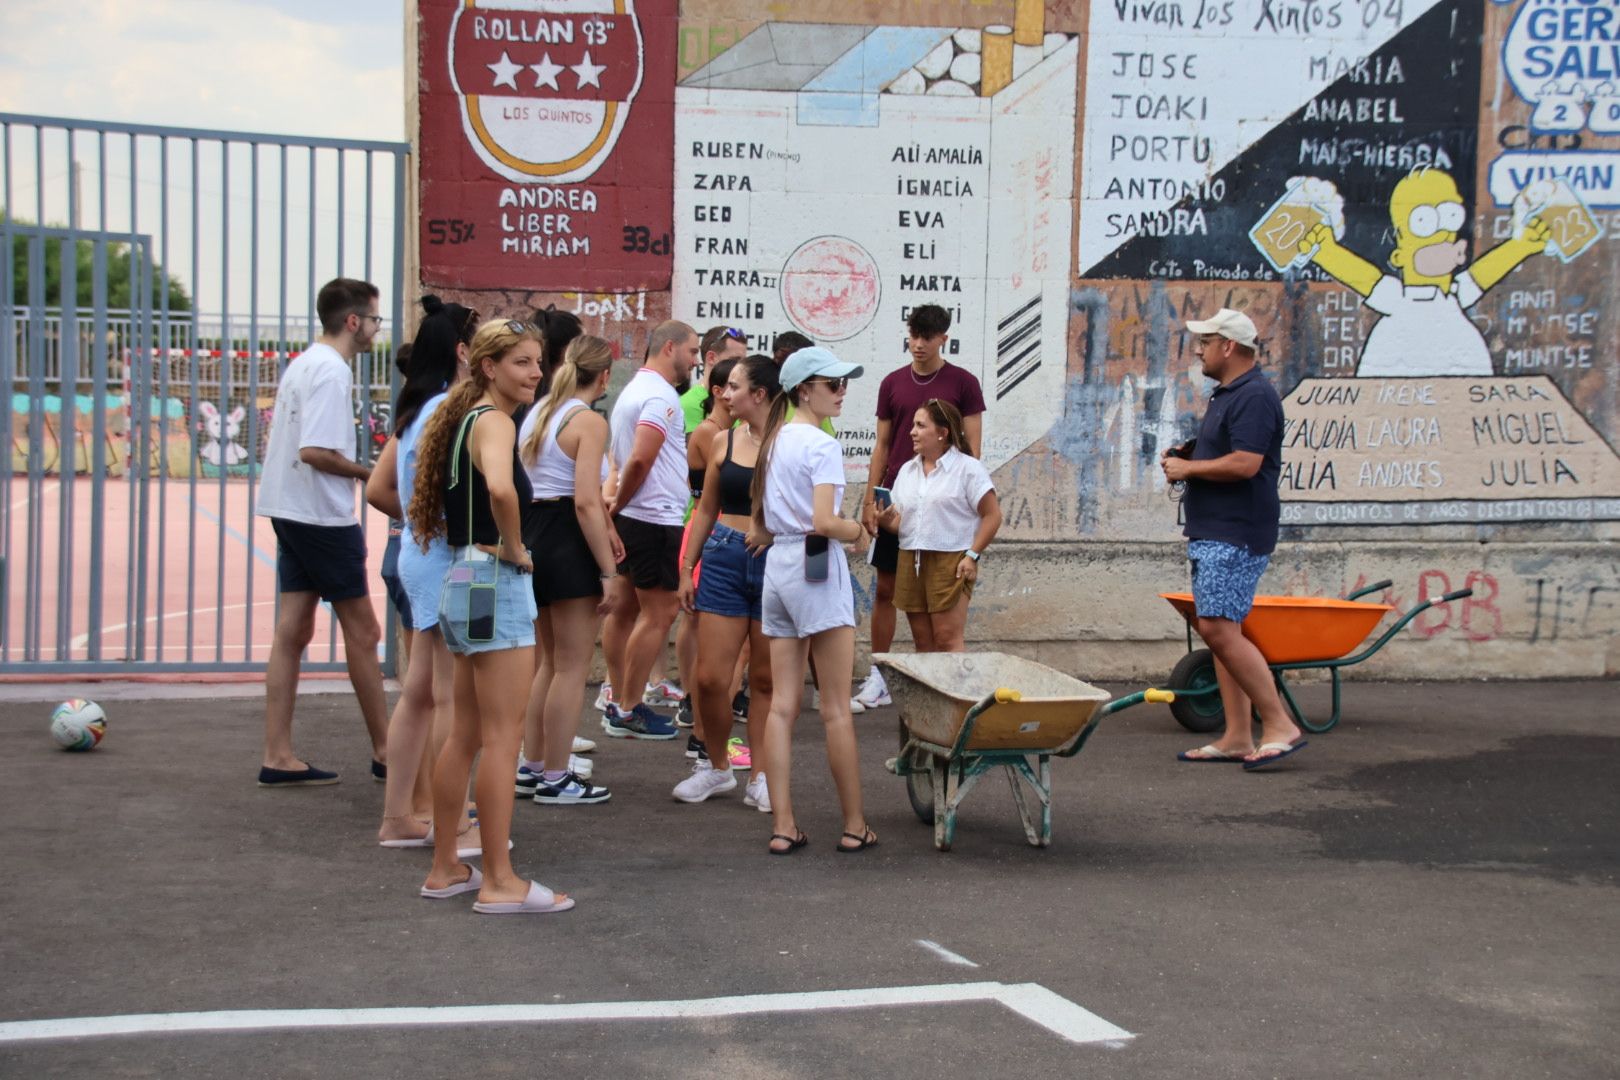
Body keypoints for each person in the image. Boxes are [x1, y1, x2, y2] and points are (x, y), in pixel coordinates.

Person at [408, 319, 571, 914]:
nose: (535, 373)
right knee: (501, 738)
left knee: (469, 734)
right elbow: (502, 492)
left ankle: (447, 865)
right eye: (522, 363)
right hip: (492, 578)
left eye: (537, 362)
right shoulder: (496, 421)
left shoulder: (464, 419)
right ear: (489, 367)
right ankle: (500, 879)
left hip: (462, 575)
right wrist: (517, 548)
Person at [253, 277, 389, 787]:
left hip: (289, 508)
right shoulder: (332, 372)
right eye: (373, 319)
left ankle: (278, 753)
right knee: (365, 631)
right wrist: (370, 473)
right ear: (353, 321)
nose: (376, 328)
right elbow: (315, 451)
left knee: (293, 630)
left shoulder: (304, 362)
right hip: (319, 516)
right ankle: (386, 749)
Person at [1159, 308, 1302, 770]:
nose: (1198, 349)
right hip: (1218, 528)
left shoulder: (1254, 395)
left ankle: (1278, 723)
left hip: (1235, 532)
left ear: (1230, 347)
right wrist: (1191, 455)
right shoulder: (1230, 394)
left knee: (1219, 627)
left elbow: (1246, 463)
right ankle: (1238, 735)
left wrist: (1189, 468)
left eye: (1206, 341)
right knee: (1224, 633)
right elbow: (1231, 453)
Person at [751, 346, 877, 855]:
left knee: (782, 707)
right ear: (805, 389)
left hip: (779, 565)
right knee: (836, 709)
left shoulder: (775, 438)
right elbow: (826, 522)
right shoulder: (822, 443)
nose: (842, 390)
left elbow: (759, 518)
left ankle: (784, 825)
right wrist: (860, 531)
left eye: (843, 383)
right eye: (833, 384)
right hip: (816, 563)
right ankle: (854, 825)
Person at [367, 296, 479, 848]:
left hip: (420, 552)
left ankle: (399, 818)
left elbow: (382, 489)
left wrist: (417, 520)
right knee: (453, 695)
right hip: (456, 560)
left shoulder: (416, 411)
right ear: (464, 351)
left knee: (420, 691)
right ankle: (450, 820)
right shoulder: (454, 411)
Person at [857, 304, 985, 712]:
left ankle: (946, 691)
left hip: (943, 511)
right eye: (913, 336)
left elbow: (973, 450)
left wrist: (962, 504)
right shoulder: (893, 382)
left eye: (926, 338)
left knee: (940, 612)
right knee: (886, 590)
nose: (918, 344)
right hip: (899, 499)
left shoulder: (964, 382)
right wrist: (870, 499)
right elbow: (881, 445)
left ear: (943, 338)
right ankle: (879, 674)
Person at [515, 335, 621, 807]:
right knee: (573, 667)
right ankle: (556, 776)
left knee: (548, 663)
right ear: (603, 376)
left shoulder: (538, 413)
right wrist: (609, 572)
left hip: (535, 533)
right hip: (566, 537)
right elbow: (583, 501)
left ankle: (533, 765)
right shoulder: (589, 422)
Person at [674, 355, 778, 807]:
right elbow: (705, 510)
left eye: (734, 386)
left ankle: (761, 775)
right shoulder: (722, 441)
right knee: (712, 679)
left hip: (776, 561)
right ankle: (717, 767)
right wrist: (686, 567)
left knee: (765, 678)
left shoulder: (791, 444)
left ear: (759, 395)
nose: (724, 393)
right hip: (722, 556)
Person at [601, 320, 700, 740]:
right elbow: (639, 460)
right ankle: (627, 706)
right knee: (660, 613)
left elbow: (622, 458)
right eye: (693, 351)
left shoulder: (633, 389)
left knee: (625, 609)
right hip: (652, 517)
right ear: (670, 347)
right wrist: (617, 506)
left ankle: (617, 700)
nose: (695, 360)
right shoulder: (660, 397)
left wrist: (616, 510)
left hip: (637, 516)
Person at [877, 400, 1001, 653]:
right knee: (923, 643)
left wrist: (972, 555)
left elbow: (992, 515)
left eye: (921, 426)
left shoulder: (968, 468)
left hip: (952, 561)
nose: (912, 431)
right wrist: (889, 522)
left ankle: (955, 694)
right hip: (911, 559)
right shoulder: (907, 471)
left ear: (942, 433)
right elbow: (905, 525)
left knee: (946, 639)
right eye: (913, 425)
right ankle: (930, 694)